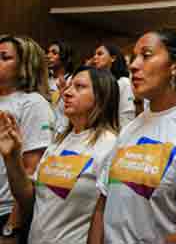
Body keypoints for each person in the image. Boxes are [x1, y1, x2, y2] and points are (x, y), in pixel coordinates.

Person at [88, 29, 176, 244]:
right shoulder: (130, 129)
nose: (133, 65)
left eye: (146, 55)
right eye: (135, 56)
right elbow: (102, 206)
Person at [0, 66, 118, 244]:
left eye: (79, 87)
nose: (67, 93)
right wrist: (12, 157)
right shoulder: (59, 140)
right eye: (69, 87)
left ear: (102, 96)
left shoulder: (110, 145)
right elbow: (29, 199)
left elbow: (107, 216)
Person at [0, 35, 54, 241]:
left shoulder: (32, 104)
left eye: (4, 57)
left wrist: (12, 227)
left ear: (24, 65)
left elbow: (31, 173)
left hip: (6, 212)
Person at [93, 44, 135, 128]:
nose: (95, 57)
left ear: (113, 58)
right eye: (94, 54)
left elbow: (127, 115)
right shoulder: (97, 83)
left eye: (100, 54)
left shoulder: (123, 82)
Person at [46, 40, 75, 134]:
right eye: (48, 52)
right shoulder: (45, 80)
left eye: (54, 53)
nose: (48, 56)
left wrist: (63, 92)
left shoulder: (72, 80)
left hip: (63, 131)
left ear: (65, 57)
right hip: (45, 128)